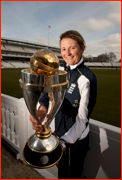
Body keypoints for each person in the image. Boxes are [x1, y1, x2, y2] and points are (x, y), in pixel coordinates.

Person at [30, 30, 97, 179]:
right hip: (58, 137)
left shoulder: (87, 78)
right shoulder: (58, 70)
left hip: (74, 143)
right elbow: (46, 97)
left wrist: (63, 143)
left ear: (82, 48)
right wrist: (40, 112)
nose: (67, 53)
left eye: (72, 47)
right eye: (63, 49)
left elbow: (82, 120)